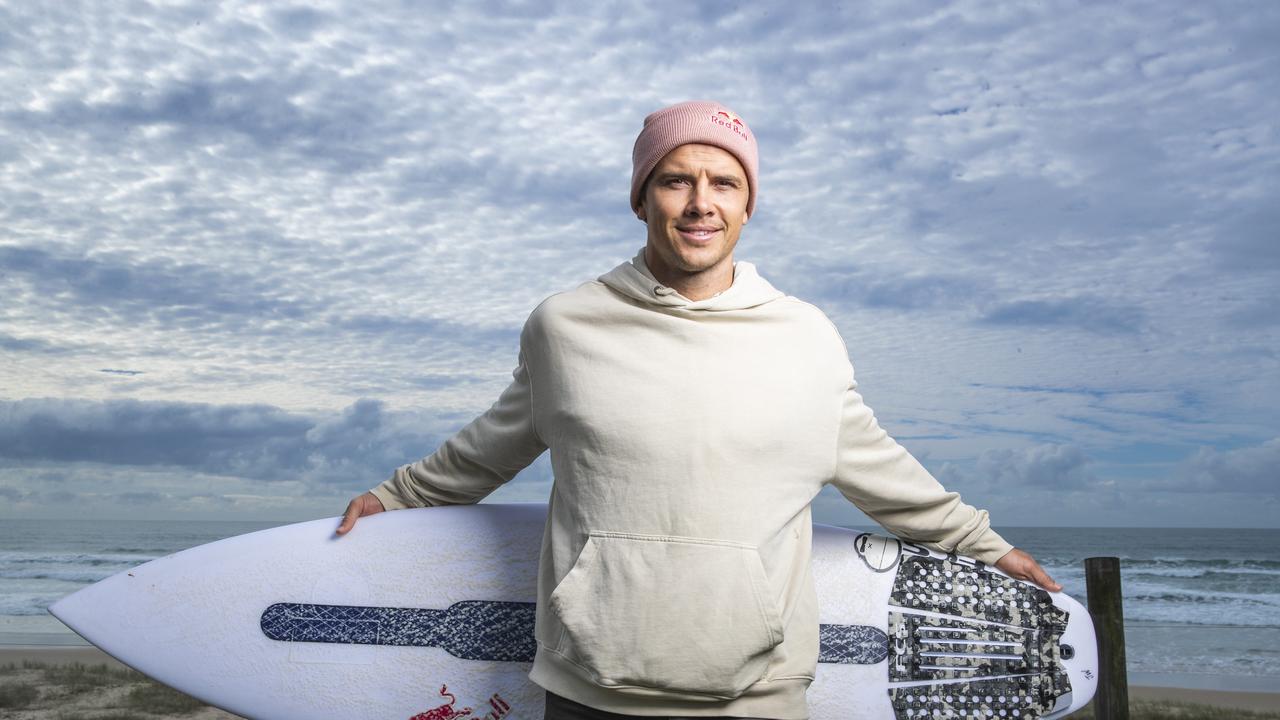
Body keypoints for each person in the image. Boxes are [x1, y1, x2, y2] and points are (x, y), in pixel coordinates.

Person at [336, 100, 1060, 720]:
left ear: (748, 205)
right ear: (641, 197)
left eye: (723, 183)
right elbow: (492, 446)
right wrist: (396, 497)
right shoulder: (566, 325)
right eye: (675, 180)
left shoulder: (805, 335)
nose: (699, 203)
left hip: (757, 694)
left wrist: (984, 545)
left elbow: (875, 464)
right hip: (590, 683)